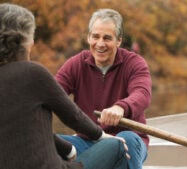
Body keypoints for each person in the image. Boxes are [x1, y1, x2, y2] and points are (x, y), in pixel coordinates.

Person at [0, 3, 128, 169]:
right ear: (24, 41)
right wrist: (102, 135)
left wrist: (67, 149)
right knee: (118, 146)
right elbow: (73, 116)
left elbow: (23, 128)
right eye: (32, 36)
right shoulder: (33, 73)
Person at [55, 8, 152, 169]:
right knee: (48, 142)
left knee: (125, 141)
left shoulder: (134, 63)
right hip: (88, 140)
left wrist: (121, 107)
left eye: (107, 38)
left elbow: (142, 93)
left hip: (129, 139)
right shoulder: (76, 64)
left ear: (119, 40)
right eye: (95, 36)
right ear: (88, 37)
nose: (100, 44)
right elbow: (54, 94)